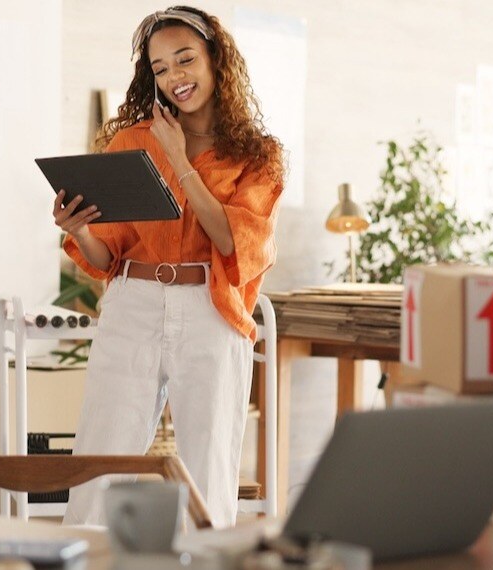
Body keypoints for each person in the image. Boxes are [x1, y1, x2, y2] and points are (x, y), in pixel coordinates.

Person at [55, 5, 284, 528]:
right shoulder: (131, 142)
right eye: (160, 68)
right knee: (101, 456)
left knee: (207, 465)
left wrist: (179, 160)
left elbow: (234, 239)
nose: (175, 77)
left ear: (215, 59)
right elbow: (106, 257)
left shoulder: (257, 155)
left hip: (210, 309)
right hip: (133, 302)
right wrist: (79, 230)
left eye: (185, 60)